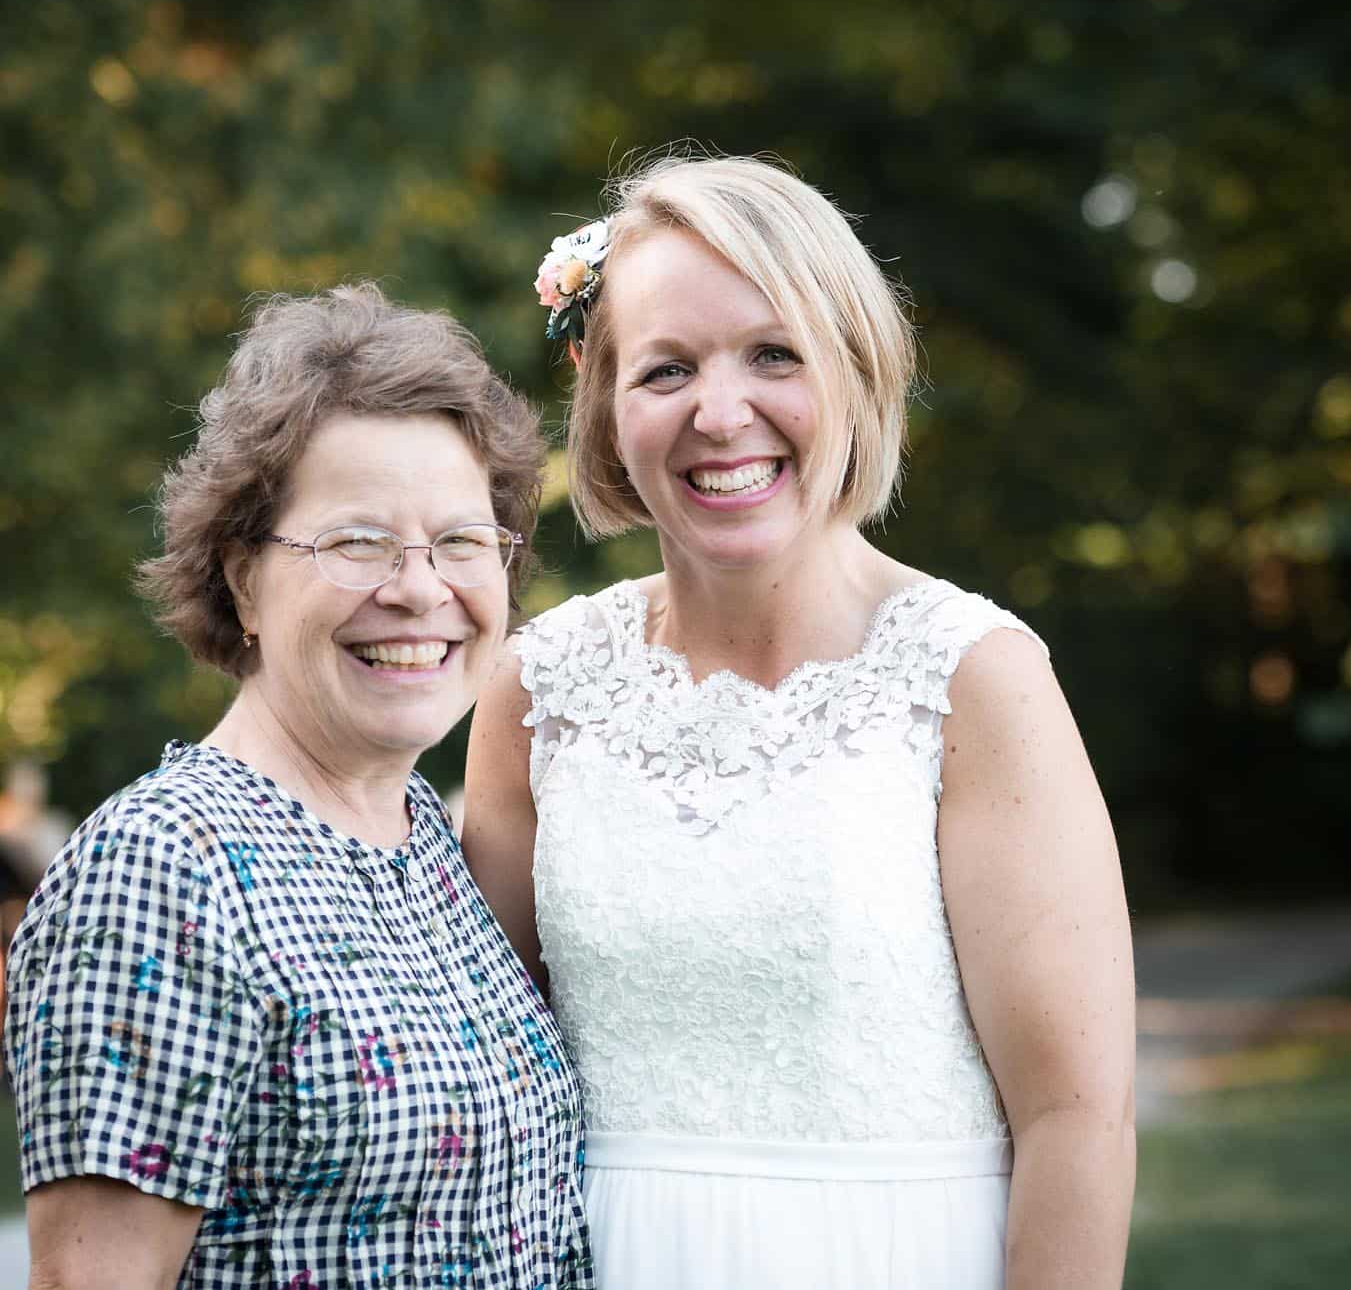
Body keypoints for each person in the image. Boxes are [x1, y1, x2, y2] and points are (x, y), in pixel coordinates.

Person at [464, 155, 1136, 1289]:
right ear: (605, 405)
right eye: (665, 368)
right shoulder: (535, 688)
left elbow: (1077, 1122)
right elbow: (481, 1090)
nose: (719, 414)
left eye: (773, 354)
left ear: (854, 370)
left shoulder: (973, 675)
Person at [3, 284, 592, 1289]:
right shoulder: (161, 871)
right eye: (357, 541)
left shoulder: (427, 843)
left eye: (460, 541)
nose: (419, 587)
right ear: (241, 579)